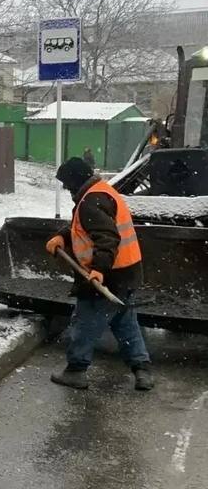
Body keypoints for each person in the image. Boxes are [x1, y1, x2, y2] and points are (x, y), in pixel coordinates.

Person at [45, 156, 153, 392]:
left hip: (108, 274)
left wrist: (98, 271)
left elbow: (107, 238)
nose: (65, 188)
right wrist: (61, 237)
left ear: (75, 180)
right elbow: (82, 226)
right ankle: (142, 370)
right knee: (125, 324)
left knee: (85, 323)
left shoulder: (90, 201)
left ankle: (76, 371)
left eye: (66, 183)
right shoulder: (101, 191)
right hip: (128, 272)